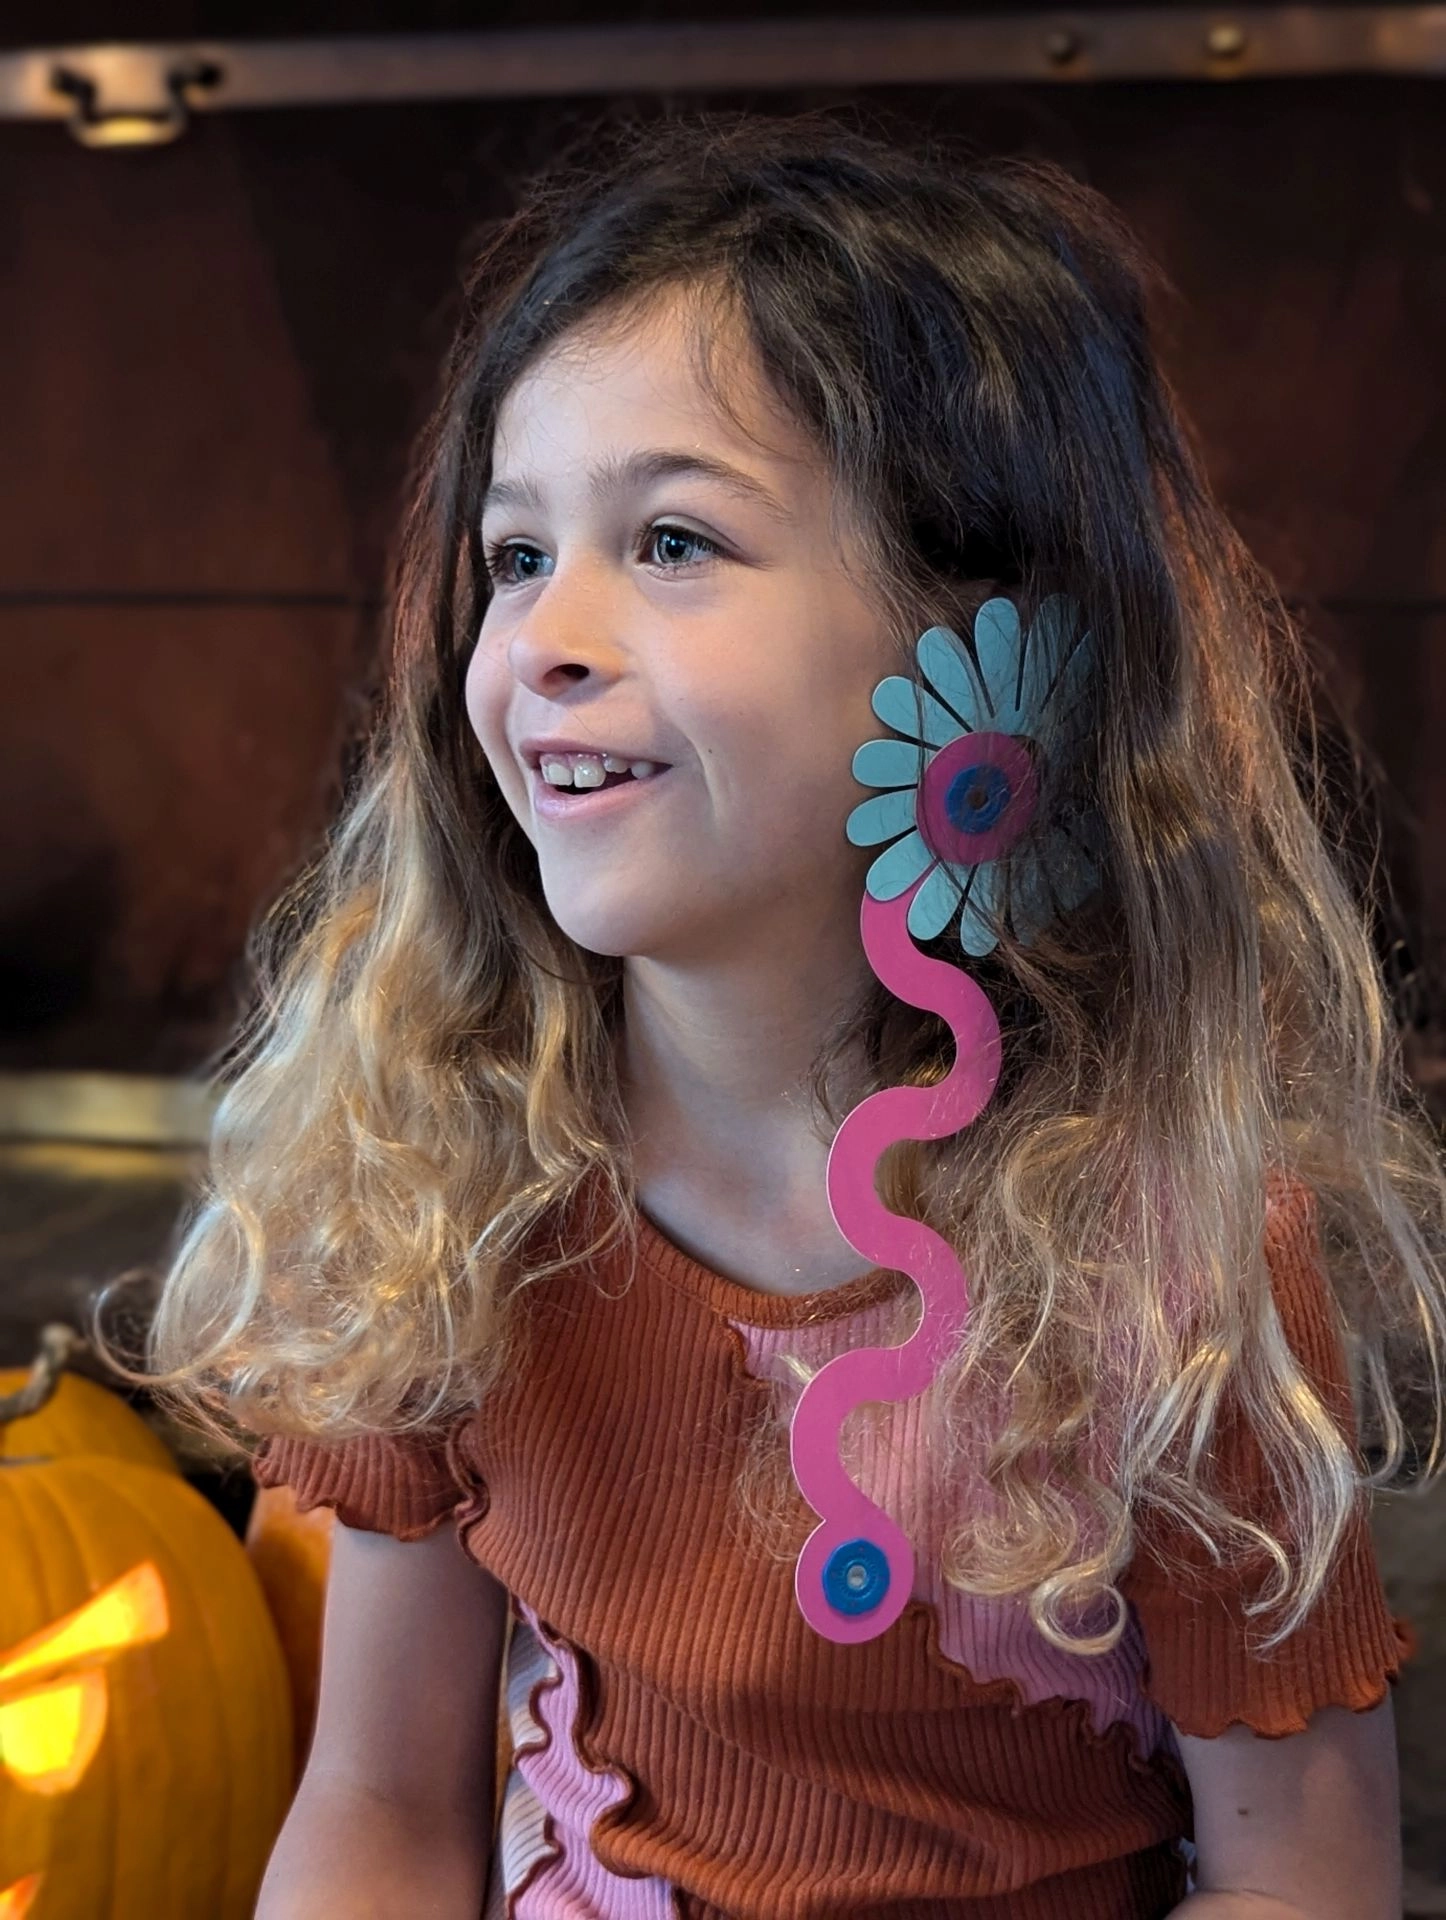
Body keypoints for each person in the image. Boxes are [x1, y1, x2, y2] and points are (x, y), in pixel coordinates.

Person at [130, 110, 1445, 1918]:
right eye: (516, 556)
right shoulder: (444, 1176)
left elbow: (1300, 1879)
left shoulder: (1172, 1254)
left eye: (672, 540)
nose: (545, 636)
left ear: (979, 661)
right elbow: (377, 1809)